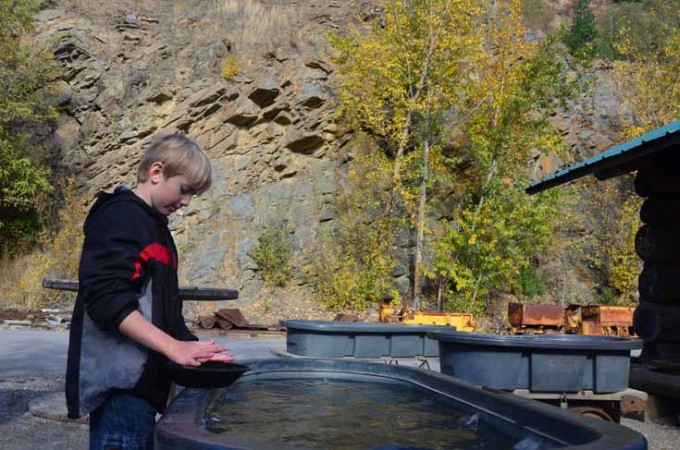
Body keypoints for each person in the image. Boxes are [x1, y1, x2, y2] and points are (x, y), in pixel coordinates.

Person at [65, 134, 233, 450]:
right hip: (120, 392)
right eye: (185, 190)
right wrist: (172, 347)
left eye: (193, 195)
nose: (186, 202)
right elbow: (106, 299)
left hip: (142, 391)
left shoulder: (157, 228)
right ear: (157, 172)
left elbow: (163, 309)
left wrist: (195, 350)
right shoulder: (119, 216)